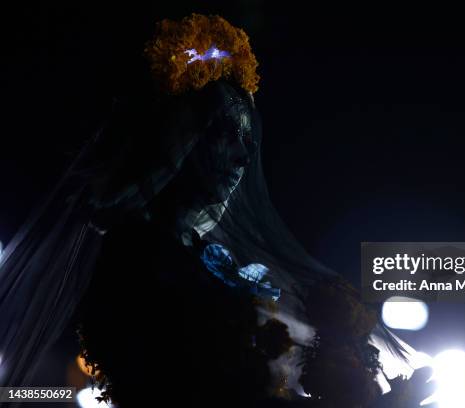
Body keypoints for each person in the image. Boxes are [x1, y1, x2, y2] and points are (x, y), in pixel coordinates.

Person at [0, 13, 429, 407]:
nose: (243, 158)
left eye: (248, 141)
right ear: (178, 142)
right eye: (225, 135)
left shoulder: (194, 253)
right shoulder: (142, 255)